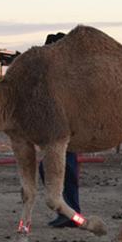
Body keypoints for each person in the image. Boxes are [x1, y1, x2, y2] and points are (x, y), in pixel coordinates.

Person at [38, 32, 82, 228]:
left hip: (64, 130)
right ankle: (69, 213)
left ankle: (72, 215)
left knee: (63, 169)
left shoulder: (67, 76)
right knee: (55, 169)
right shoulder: (58, 75)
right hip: (59, 129)